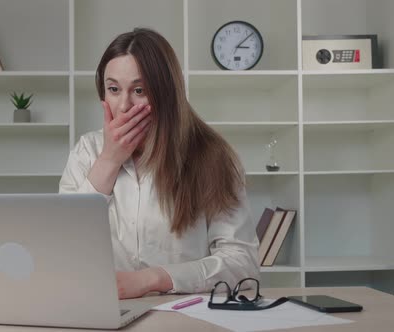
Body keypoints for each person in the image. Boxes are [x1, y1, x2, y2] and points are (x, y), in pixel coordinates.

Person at [59, 27, 259, 299]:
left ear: (166, 93)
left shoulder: (212, 156)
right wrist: (109, 159)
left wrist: (154, 279)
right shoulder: (86, 151)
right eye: (114, 89)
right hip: (103, 311)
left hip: (184, 313)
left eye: (139, 90)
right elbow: (64, 245)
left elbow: (242, 264)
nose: (125, 106)